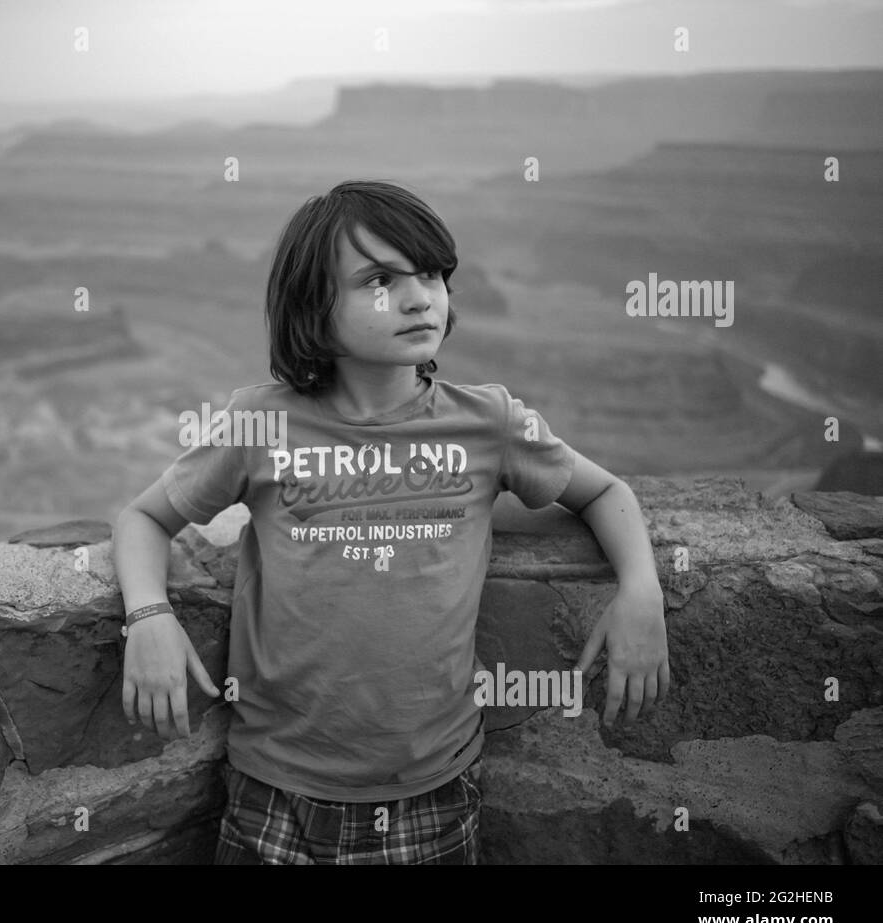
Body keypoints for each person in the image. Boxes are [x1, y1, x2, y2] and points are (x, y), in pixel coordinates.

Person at [111, 179, 670, 864]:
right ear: (316, 305)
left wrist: (640, 588)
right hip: (275, 794)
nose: (419, 297)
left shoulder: (488, 420)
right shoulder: (258, 423)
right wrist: (148, 616)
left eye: (432, 273)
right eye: (379, 279)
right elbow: (143, 518)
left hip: (430, 798)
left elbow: (603, 492)